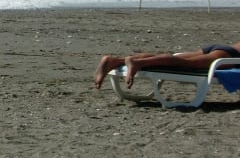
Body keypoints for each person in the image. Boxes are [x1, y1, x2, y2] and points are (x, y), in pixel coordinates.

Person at [93, 43, 240, 90]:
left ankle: (115, 61)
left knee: (175, 57)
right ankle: (138, 63)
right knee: (187, 65)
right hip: (228, 55)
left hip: (219, 47)